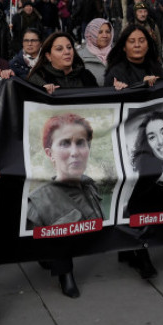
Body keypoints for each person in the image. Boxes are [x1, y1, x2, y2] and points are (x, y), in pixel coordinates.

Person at [25, 114, 106, 296]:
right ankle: (64, 274)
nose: (74, 152)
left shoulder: (91, 186)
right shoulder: (39, 201)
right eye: (64, 143)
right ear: (49, 153)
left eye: (81, 143)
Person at [27, 32, 99, 92]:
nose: (67, 52)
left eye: (69, 47)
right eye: (59, 49)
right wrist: (41, 93)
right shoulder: (38, 78)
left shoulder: (86, 75)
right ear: (48, 56)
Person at [104, 25, 163, 90]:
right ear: (124, 47)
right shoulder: (116, 73)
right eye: (132, 41)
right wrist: (142, 85)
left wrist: (159, 83)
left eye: (141, 41)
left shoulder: (156, 67)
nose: (137, 45)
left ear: (148, 45)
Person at [78, 18, 113, 83]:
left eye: (108, 32)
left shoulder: (118, 54)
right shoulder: (79, 57)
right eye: (100, 32)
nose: (105, 35)